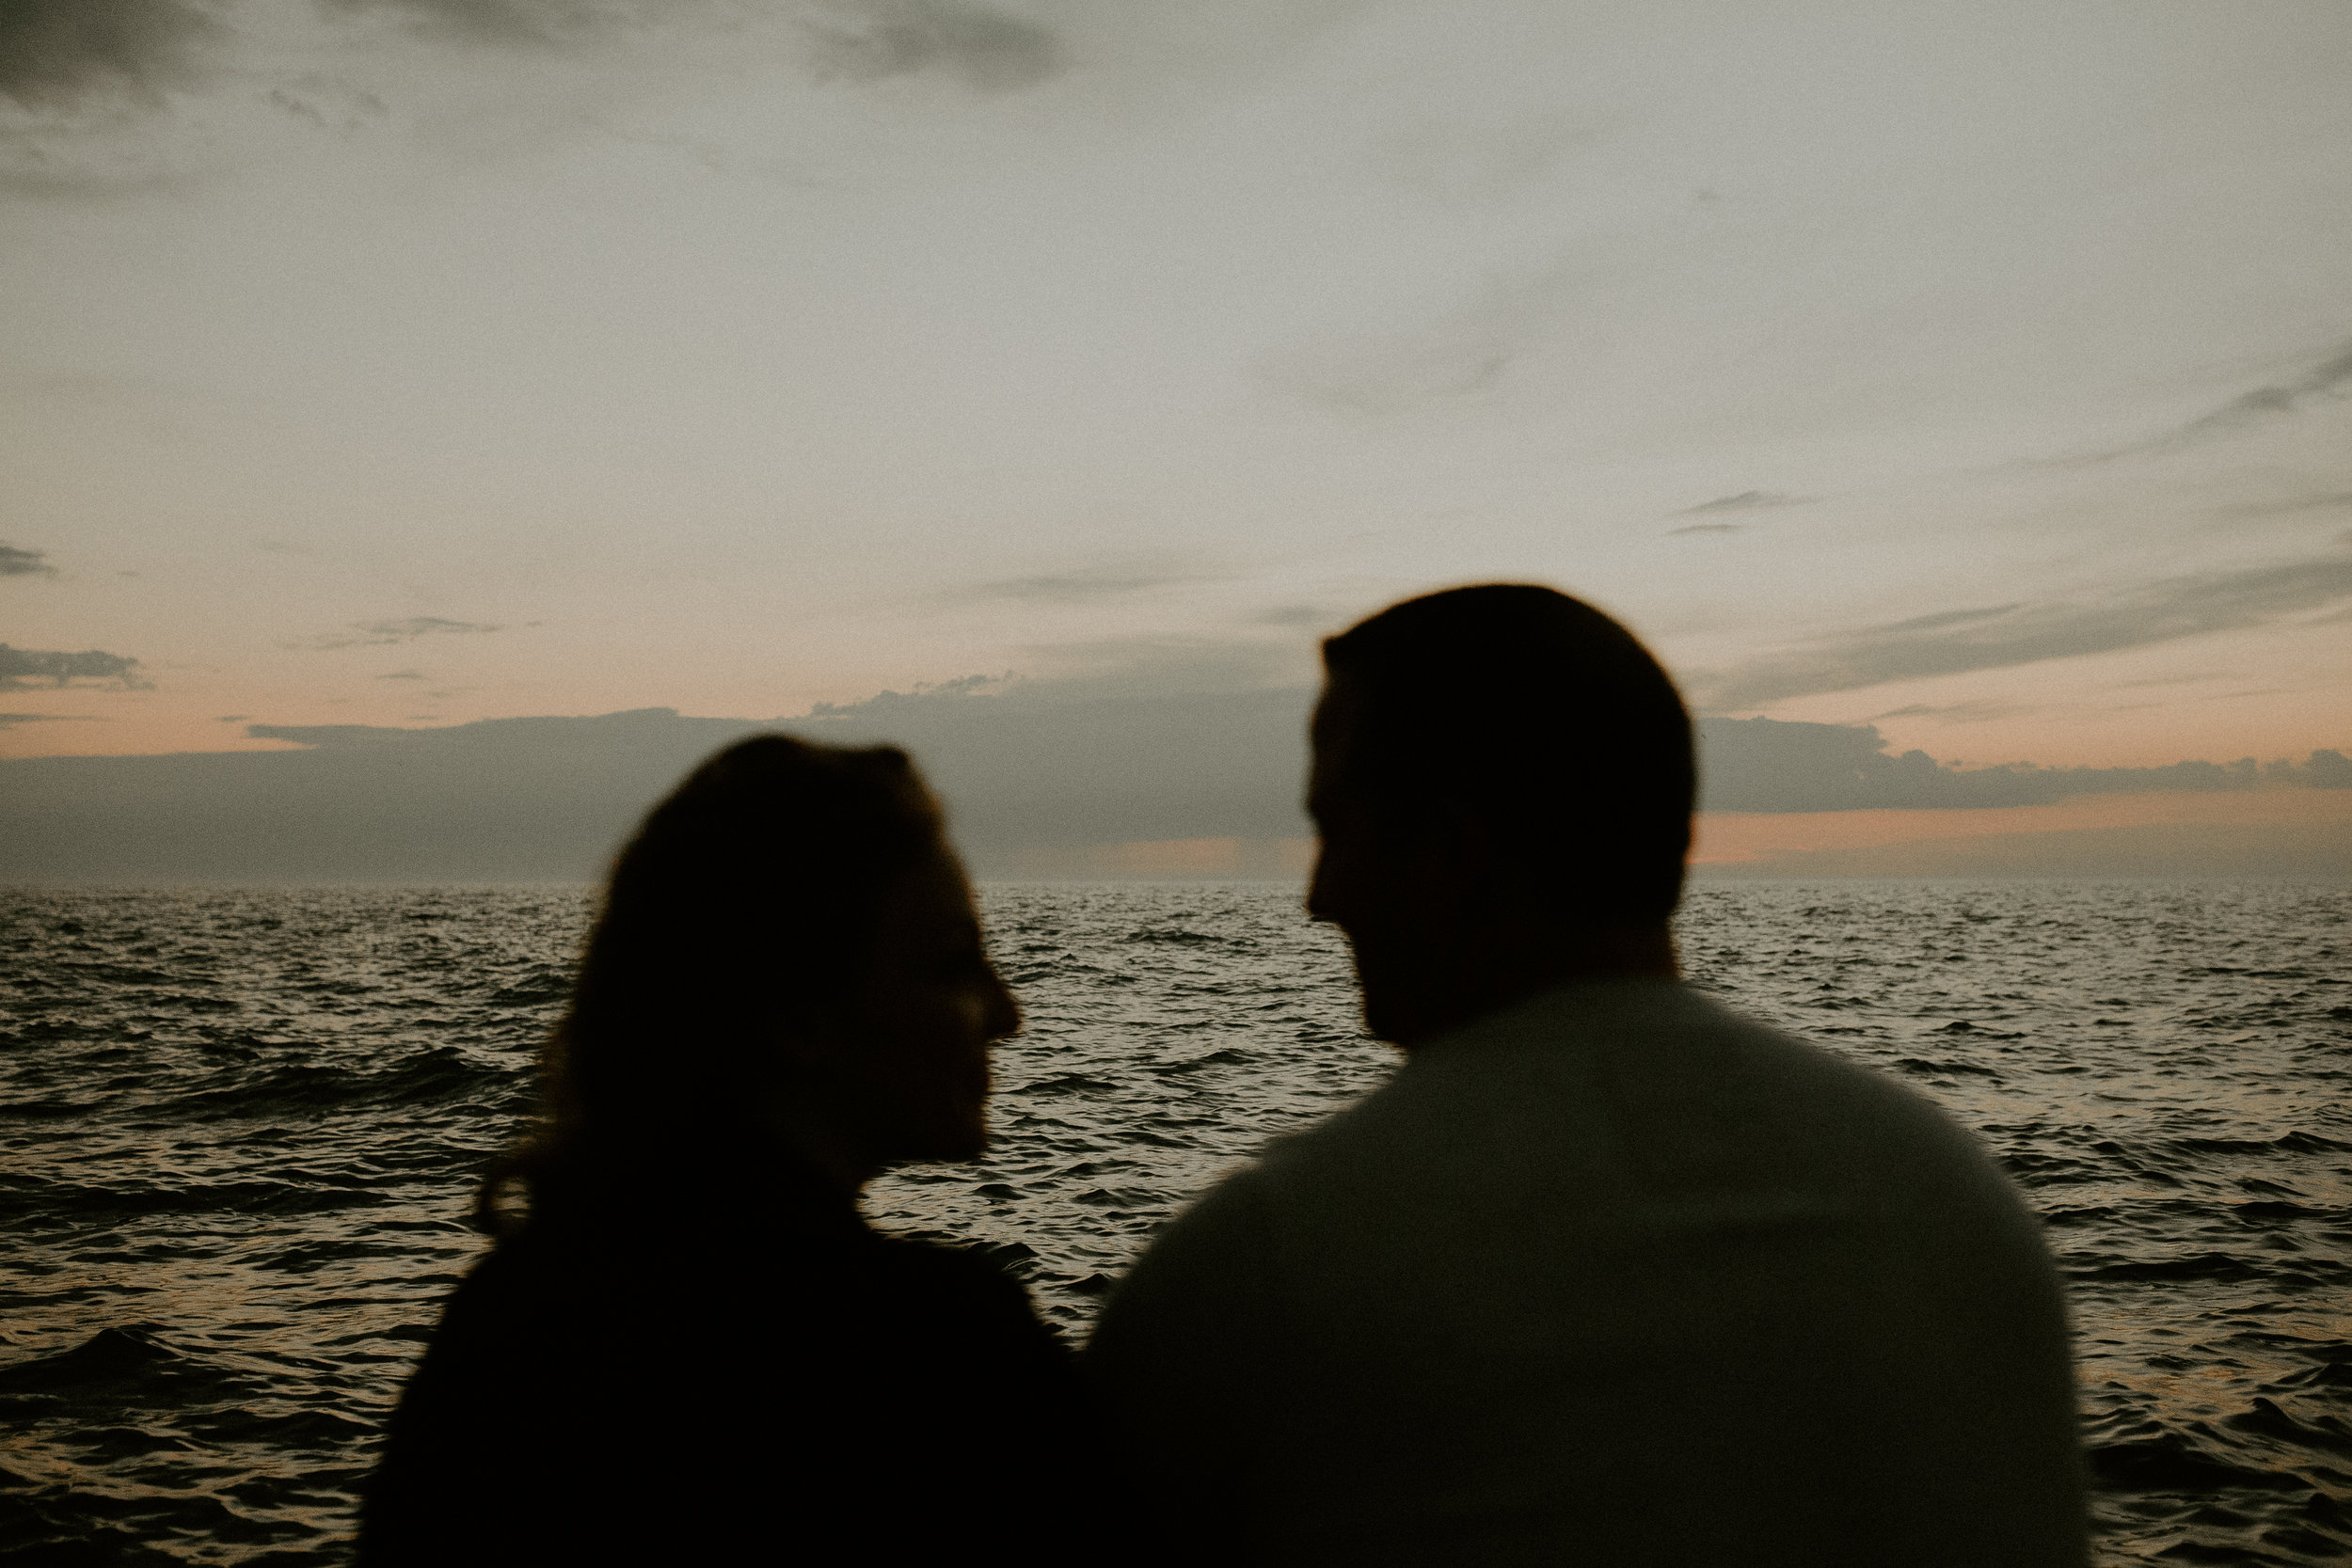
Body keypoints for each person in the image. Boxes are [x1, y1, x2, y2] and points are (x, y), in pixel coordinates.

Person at [1083, 584, 2088, 1566]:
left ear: (1451, 851)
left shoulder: (1266, 1269)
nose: (1316, 894)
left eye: (1336, 830)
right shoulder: (1958, 1203)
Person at [360, 736, 1114, 1564]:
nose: (1007, 1014)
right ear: (798, 1017)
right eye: (951, 966)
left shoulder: (504, 1327)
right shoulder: (942, 1359)